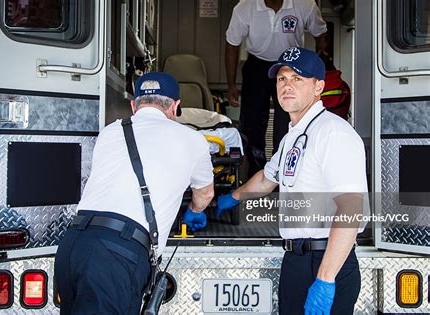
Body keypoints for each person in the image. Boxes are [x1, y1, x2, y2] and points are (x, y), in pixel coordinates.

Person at [217, 47, 368, 314]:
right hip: (296, 261)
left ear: (318, 86)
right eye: (282, 79)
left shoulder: (333, 134)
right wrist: (231, 197)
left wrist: (324, 279)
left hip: (325, 261)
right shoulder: (293, 137)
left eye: (297, 79)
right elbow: (267, 179)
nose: (287, 86)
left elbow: (351, 209)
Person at [54, 72, 214, 314]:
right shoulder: (193, 139)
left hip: (73, 244)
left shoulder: (110, 132)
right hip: (116, 253)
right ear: (175, 106)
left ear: (133, 105)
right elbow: (204, 194)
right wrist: (193, 211)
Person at [225, 0, 329, 177]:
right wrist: (231, 84)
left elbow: (322, 34)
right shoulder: (245, 7)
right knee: (252, 123)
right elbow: (232, 44)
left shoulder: (304, 5)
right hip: (256, 66)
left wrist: (316, 69)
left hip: (291, 66)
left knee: (287, 122)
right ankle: (256, 173)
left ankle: (283, 171)